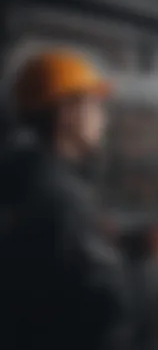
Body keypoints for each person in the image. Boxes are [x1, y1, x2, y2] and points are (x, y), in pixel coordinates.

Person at [0, 50, 131, 350]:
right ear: (67, 113)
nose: (104, 119)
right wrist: (146, 268)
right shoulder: (62, 198)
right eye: (95, 106)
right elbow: (105, 311)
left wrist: (137, 245)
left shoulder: (23, 178)